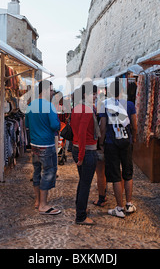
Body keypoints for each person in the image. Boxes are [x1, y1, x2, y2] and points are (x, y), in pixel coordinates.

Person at [99, 78, 137, 218]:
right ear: (122, 92)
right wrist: (134, 139)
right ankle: (129, 204)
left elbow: (103, 127)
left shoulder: (105, 105)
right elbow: (134, 125)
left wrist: (101, 142)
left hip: (111, 143)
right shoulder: (129, 105)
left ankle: (119, 208)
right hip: (126, 142)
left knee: (115, 175)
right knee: (128, 173)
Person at [25, 80, 61, 215]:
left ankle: (37, 201)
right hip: (46, 144)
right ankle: (43, 205)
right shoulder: (49, 106)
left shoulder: (30, 105)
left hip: (34, 144)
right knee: (48, 172)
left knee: (36, 171)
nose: (52, 93)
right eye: (51, 90)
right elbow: (55, 126)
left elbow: (27, 124)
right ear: (45, 91)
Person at [70, 81, 98, 225]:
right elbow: (81, 133)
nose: (95, 96)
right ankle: (80, 216)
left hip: (78, 148)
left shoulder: (77, 108)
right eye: (93, 94)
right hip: (86, 151)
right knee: (85, 184)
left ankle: (81, 209)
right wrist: (81, 156)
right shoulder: (86, 110)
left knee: (83, 182)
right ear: (86, 94)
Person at [93, 85, 107, 207]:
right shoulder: (124, 106)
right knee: (118, 171)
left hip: (104, 143)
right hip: (118, 144)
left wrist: (100, 143)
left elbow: (102, 127)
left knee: (100, 172)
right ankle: (122, 202)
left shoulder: (103, 108)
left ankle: (102, 198)